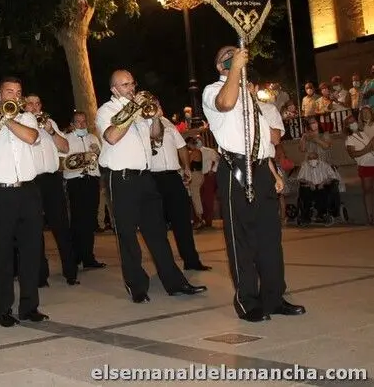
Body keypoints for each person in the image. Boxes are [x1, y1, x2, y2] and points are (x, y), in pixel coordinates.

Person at [202, 46, 305, 322]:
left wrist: (273, 174)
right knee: (242, 239)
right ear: (220, 65)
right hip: (235, 168)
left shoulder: (250, 96)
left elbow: (261, 141)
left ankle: (274, 297)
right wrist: (235, 67)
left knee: (270, 238)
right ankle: (248, 301)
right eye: (227, 55)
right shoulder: (213, 90)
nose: (234, 56)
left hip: (260, 168)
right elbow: (225, 104)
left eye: (236, 54)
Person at [95, 70, 206, 304]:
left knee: (157, 233)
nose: (131, 88)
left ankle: (175, 283)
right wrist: (132, 108)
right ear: (114, 89)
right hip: (121, 178)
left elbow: (155, 136)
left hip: (146, 177)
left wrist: (155, 118)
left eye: (132, 83)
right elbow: (112, 136)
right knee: (127, 235)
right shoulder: (107, 110)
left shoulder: (140, 110)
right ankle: (136, 286)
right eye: (125, 85)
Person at [0, 76, 47, 327]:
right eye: (9, 92)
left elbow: (31, 137)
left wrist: (7, 118)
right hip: (2, 193)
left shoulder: (27, 118)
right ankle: (2, 307)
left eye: (18, 92)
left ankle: (29, 307)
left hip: (28, 191)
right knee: (2, 252)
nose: (15, 96)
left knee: (31, 251)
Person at [24, 94, 78, 286]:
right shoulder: (21, 124)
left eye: (38, 103)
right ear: (24, 106)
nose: (35, 107)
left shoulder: (50, 122)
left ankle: (70, 272)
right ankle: (40, 275)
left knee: (61, 225)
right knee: (34, 230)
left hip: (53, 180)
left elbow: (65, 147)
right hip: (32, 181)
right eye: (30, 103)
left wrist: (51, 131)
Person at [150, 119, 209, 271]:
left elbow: (182, 147)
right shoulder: (141, 124)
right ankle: (166, 266)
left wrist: (187, 167)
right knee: (157, 225)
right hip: (152, 178)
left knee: (183, 221)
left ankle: (191, 261)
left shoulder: (169, 126)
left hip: (173, 177)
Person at [63, 111, 105, 270]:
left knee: (90, 220)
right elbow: (63, 162)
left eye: (84, 121)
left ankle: (88, 257)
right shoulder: (66, 139)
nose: (82, 124)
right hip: (76, 181)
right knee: (77, 220)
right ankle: (75, 257)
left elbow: (103, 161)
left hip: (92, 180)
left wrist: (99, 152)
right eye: (78, 122)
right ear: (72, 124)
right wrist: (81, 159)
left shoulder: (93, 138)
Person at [344, 114, 374, 224]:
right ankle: (370, 217)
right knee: (368, 191)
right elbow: (353, 154)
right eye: (350, 123)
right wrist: (368, 148)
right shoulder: (349, 139)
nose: (353, 124)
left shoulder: (363, 133)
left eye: (354, 121)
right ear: (347, 126)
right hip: (365, 165)